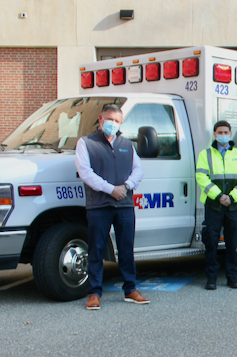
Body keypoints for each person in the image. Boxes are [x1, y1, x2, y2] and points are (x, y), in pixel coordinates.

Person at [74, 103, 147, 310]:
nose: (112, 124)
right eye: (109, 119)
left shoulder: (127, 144)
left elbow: (138, 170)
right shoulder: (86, 143)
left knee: (126, 249)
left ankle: (130, 289)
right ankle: (94, 293)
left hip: (124, 205)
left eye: (116, 120)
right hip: (99, 205)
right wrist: (110, 189)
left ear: (121, 122)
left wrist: (125, 186)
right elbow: (85, 173)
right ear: (100, 119)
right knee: (96, 249)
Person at [195, 120, 237, 290]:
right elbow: (201, 177)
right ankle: (211, 278)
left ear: (230, 133)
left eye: (226, 132)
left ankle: (232, 277)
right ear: (214, 134)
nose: (223, 135)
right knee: (211, 242)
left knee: (232, 242)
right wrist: (219, 196)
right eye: (220, 132)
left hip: (232, 206)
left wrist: (232, 197)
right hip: (213, 205)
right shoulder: (206, 154)